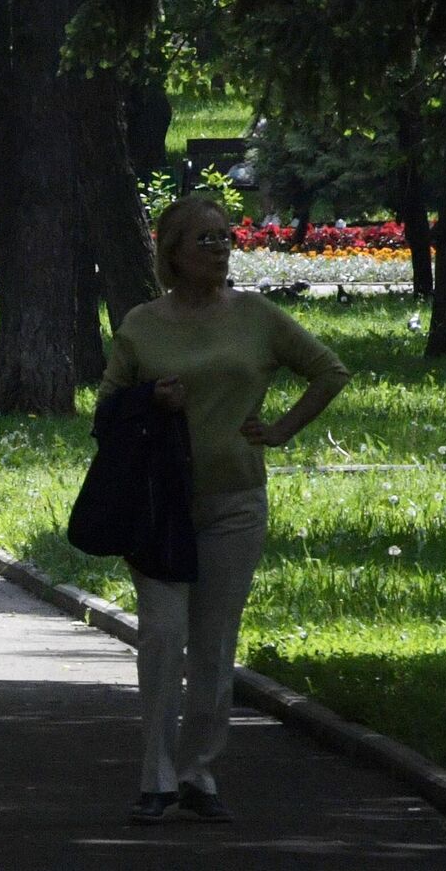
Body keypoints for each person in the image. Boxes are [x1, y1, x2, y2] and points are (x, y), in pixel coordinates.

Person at [101, 194, 349, 825]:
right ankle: (155, 775)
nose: (219, 249)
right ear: (173, 254)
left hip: (234, 503)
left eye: (225, 237)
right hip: (160, 507)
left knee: (213, 646)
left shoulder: (256, 316)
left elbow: (329, 371)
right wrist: (152, 399)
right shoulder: (142, 324)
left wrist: (284, 429)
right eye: (204, 240)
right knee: (163, 635)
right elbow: (106, 412)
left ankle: (198, 772)